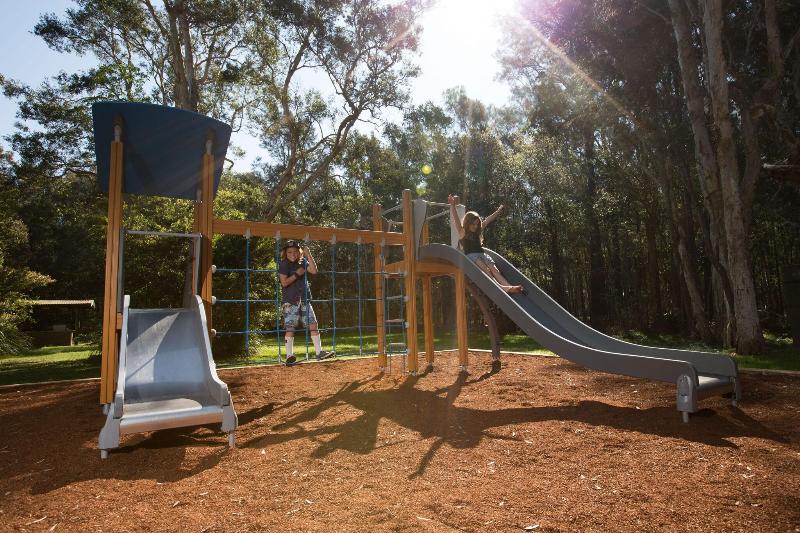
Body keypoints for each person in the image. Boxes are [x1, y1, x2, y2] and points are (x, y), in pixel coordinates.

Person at [448, 194, 524, 294]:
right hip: (472, 257)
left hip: (482, 255)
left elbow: (488, 219)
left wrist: (498, 211)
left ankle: (509, 286)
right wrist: (452, 205)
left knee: (494, 269)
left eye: (477, 224)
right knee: (486, 270)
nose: (476, 226)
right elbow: (456, 220)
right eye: (473, 224)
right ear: (467, 223)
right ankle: (502, 287)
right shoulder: (463, 232)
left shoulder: (478, 231)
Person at [278, 240, 334, 365]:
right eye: (289, 252)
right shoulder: (284, 264)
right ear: (285, 253)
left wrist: (308, 254)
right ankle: (289, 356)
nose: (292, 254)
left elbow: (314, 271)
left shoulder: (302, 262)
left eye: (295, 251)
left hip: (304, 299)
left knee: (313, 324)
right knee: (290, 327)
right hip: (290, 301)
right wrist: (297, 274)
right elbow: (284, 283)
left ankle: (319, 352)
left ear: (299, 252)